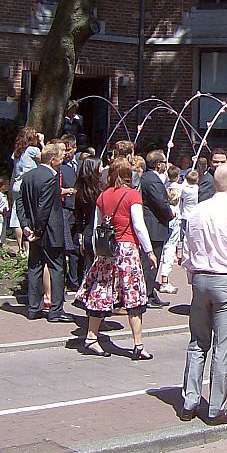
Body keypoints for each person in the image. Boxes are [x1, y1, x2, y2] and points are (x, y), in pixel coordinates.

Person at [179, 163, 227, 425]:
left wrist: (192, 277)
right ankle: (216, 408)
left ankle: (189, 401)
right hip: (225, 281)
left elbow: (187, 248)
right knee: (223, 347)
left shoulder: (197, 211)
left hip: (200, 279)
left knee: (197, 342)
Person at [74, 158, 156, 358]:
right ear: (129, 174)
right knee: (133, 294)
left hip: (107, 250)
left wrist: (96, 249)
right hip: (127, 249)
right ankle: (138, 344)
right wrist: (150, 251)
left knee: (100, 291)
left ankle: (91, 338)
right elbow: (139, 226)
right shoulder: (132, 195)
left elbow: (97, 226)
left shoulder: (102, 196)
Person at [19, 142, 72, 323]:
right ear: (52, 160)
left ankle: (34, 307)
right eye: (60, 156)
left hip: (33, 231)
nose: (63, 158)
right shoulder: (51, 178)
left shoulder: (27, 177)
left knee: (35, 268)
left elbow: (20, 203)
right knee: (57, 269)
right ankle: (55, 311)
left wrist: (26, 226)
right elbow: (45, 207)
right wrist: (38, 230)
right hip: (48, 232)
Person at [138, 150, 174, 308]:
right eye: (164, 162)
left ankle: (151, 292)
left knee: (153, 261)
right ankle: (146, 294)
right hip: (154, 225)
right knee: (151, 262)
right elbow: (159, 202)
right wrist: (170, 212)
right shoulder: (151, 180)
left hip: (155, 225)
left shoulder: (150, 178)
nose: (167, 165)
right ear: (159, 164)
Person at [10, 127, 43, 257]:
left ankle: (20, 248)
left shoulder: (17, 152)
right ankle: (28, 248)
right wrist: (42, 142)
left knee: (16, 216)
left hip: (16, 185)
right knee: (28, 215)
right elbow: (46, 157)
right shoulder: (33, 150)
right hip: (28, 186)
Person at [73, 157, 103, 282]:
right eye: (100, 166)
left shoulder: (81, 191)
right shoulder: (101, 190)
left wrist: (80, 237)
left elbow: (78, 216)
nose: (102, 169)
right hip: (99, 232)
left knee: (89, 265)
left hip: (87, 233)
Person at [59, 135, 81, 290]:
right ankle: (63, 279)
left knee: (75, 247)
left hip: (77, 208)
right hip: (66, 207)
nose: (66, 153)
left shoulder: (79, 165)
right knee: (64, 244)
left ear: (74, 148)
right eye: (64, 150)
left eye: (69, 150)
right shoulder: (60, 167)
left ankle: (74, 280)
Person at [157, 165, 184, 295]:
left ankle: (162, 278)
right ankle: (164, 280)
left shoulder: (163, 185)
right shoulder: (181, 188)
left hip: (166, 216)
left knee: (165, 248)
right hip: (174, 218)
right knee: (170, 248)